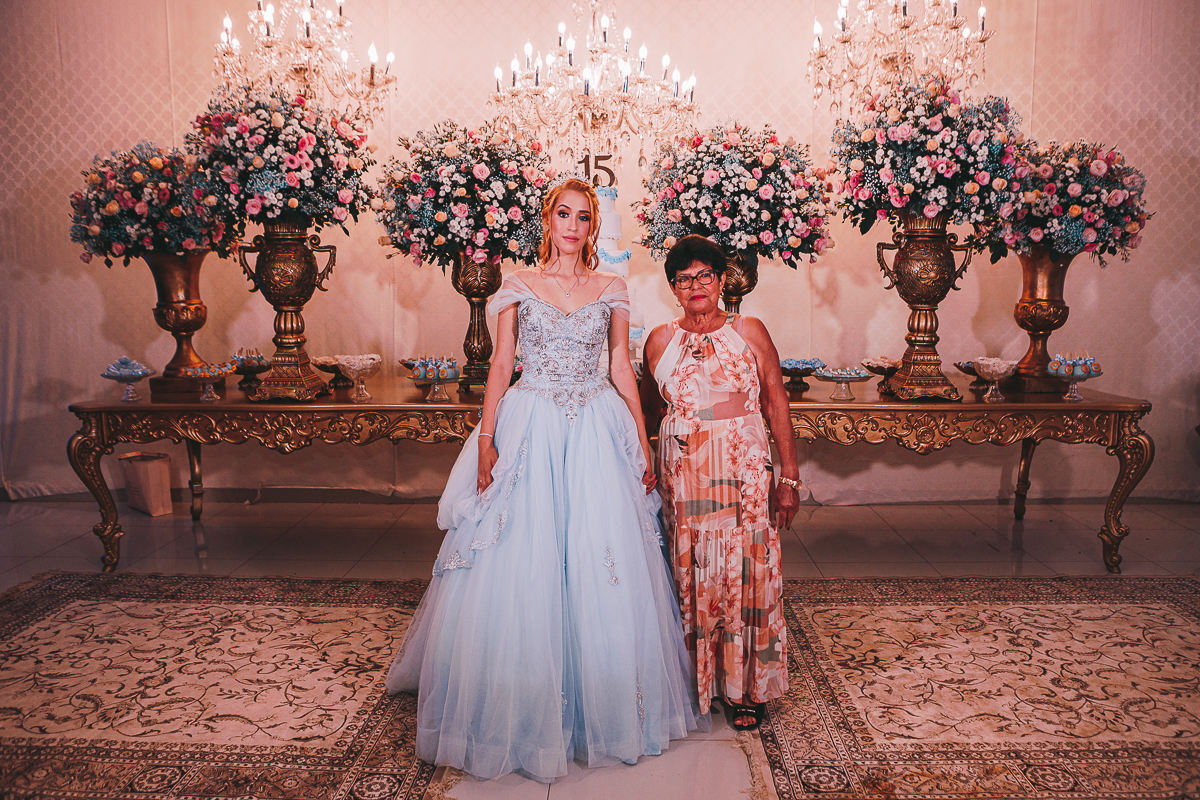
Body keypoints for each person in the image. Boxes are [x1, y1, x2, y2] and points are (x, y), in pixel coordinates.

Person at [386, 178, 703, 783]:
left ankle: (602, 704)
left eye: (584, 217)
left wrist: (640, 437)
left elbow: (619, 364)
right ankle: (517, 701)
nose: (573, 227)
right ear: (547, 220)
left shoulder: (611, 288)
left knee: (597, 554)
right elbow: (502, 362)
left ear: (592, 227)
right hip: (530, 420)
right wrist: (487, 437)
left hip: (594, 425)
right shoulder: (517, 283)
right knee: (521, 551)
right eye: (564, 214)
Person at [639, 234, 800, 732]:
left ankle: (745, 687)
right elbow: (646, 411)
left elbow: (775, 401)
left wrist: (790, 477)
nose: (695, 286)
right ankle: (695, 681)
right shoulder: (659, 341)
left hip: (744, 473)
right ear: (673, 288)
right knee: (691, 572)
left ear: (722, 279)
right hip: (684, 481)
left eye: (704, 275)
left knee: (744, 570)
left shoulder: (748, 330)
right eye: (684, 279)